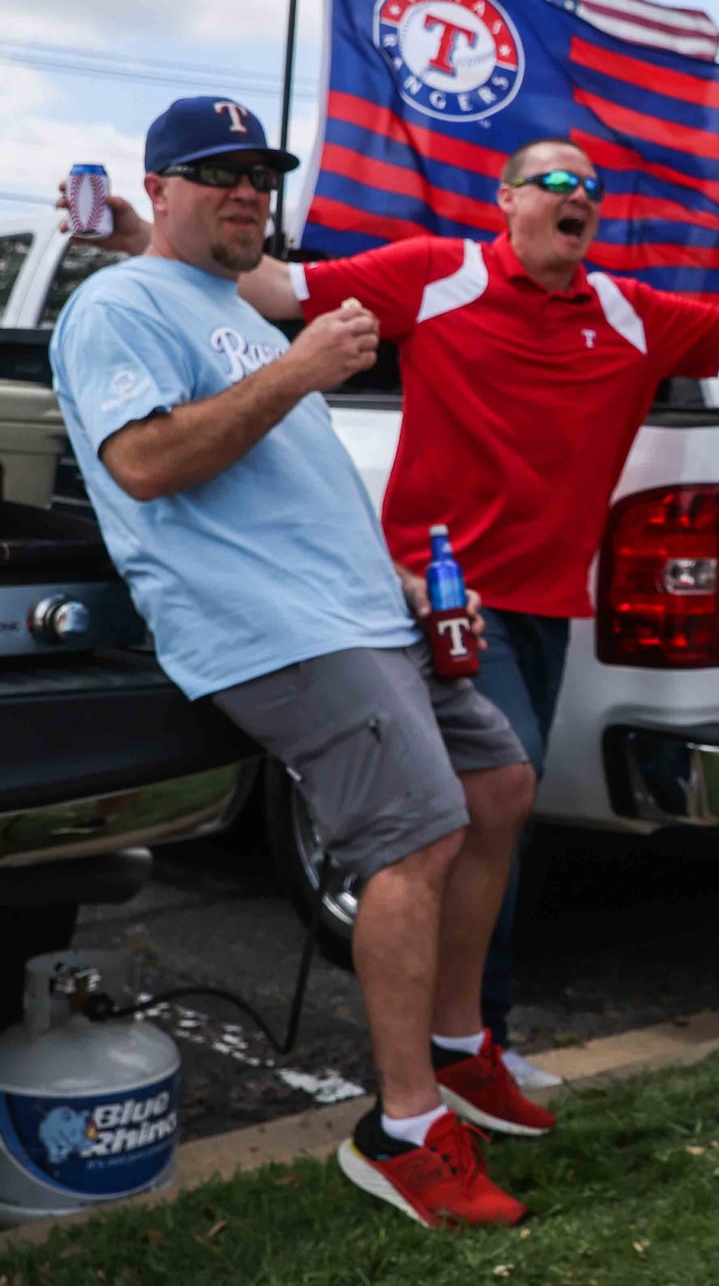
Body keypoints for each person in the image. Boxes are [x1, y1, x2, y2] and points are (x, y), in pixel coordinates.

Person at [75, 136, 719, 1078]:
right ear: (508, 200)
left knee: (502, 807)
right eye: (557, 182)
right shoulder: (437, 273)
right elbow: (281, 291)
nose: (580, 197)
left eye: (593, 188)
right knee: (492, 796)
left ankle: (471, 1038)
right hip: (437, 598)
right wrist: (147, 245)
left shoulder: (623, 308)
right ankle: (468, 1043)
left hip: (549, 607)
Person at [52, 97, 538, 1226]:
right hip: (274, 628)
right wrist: (299, 370)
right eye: (215, 173)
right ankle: (405, 1129)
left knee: (500, 787)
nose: (245, 193)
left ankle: (460, 1044)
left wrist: (397, 579)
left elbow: (293, 487)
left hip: (363, 608)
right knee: (416, 839)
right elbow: (145, 464)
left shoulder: (232, 307)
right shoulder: (117, 304)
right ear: (161, 188)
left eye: (260, 176)